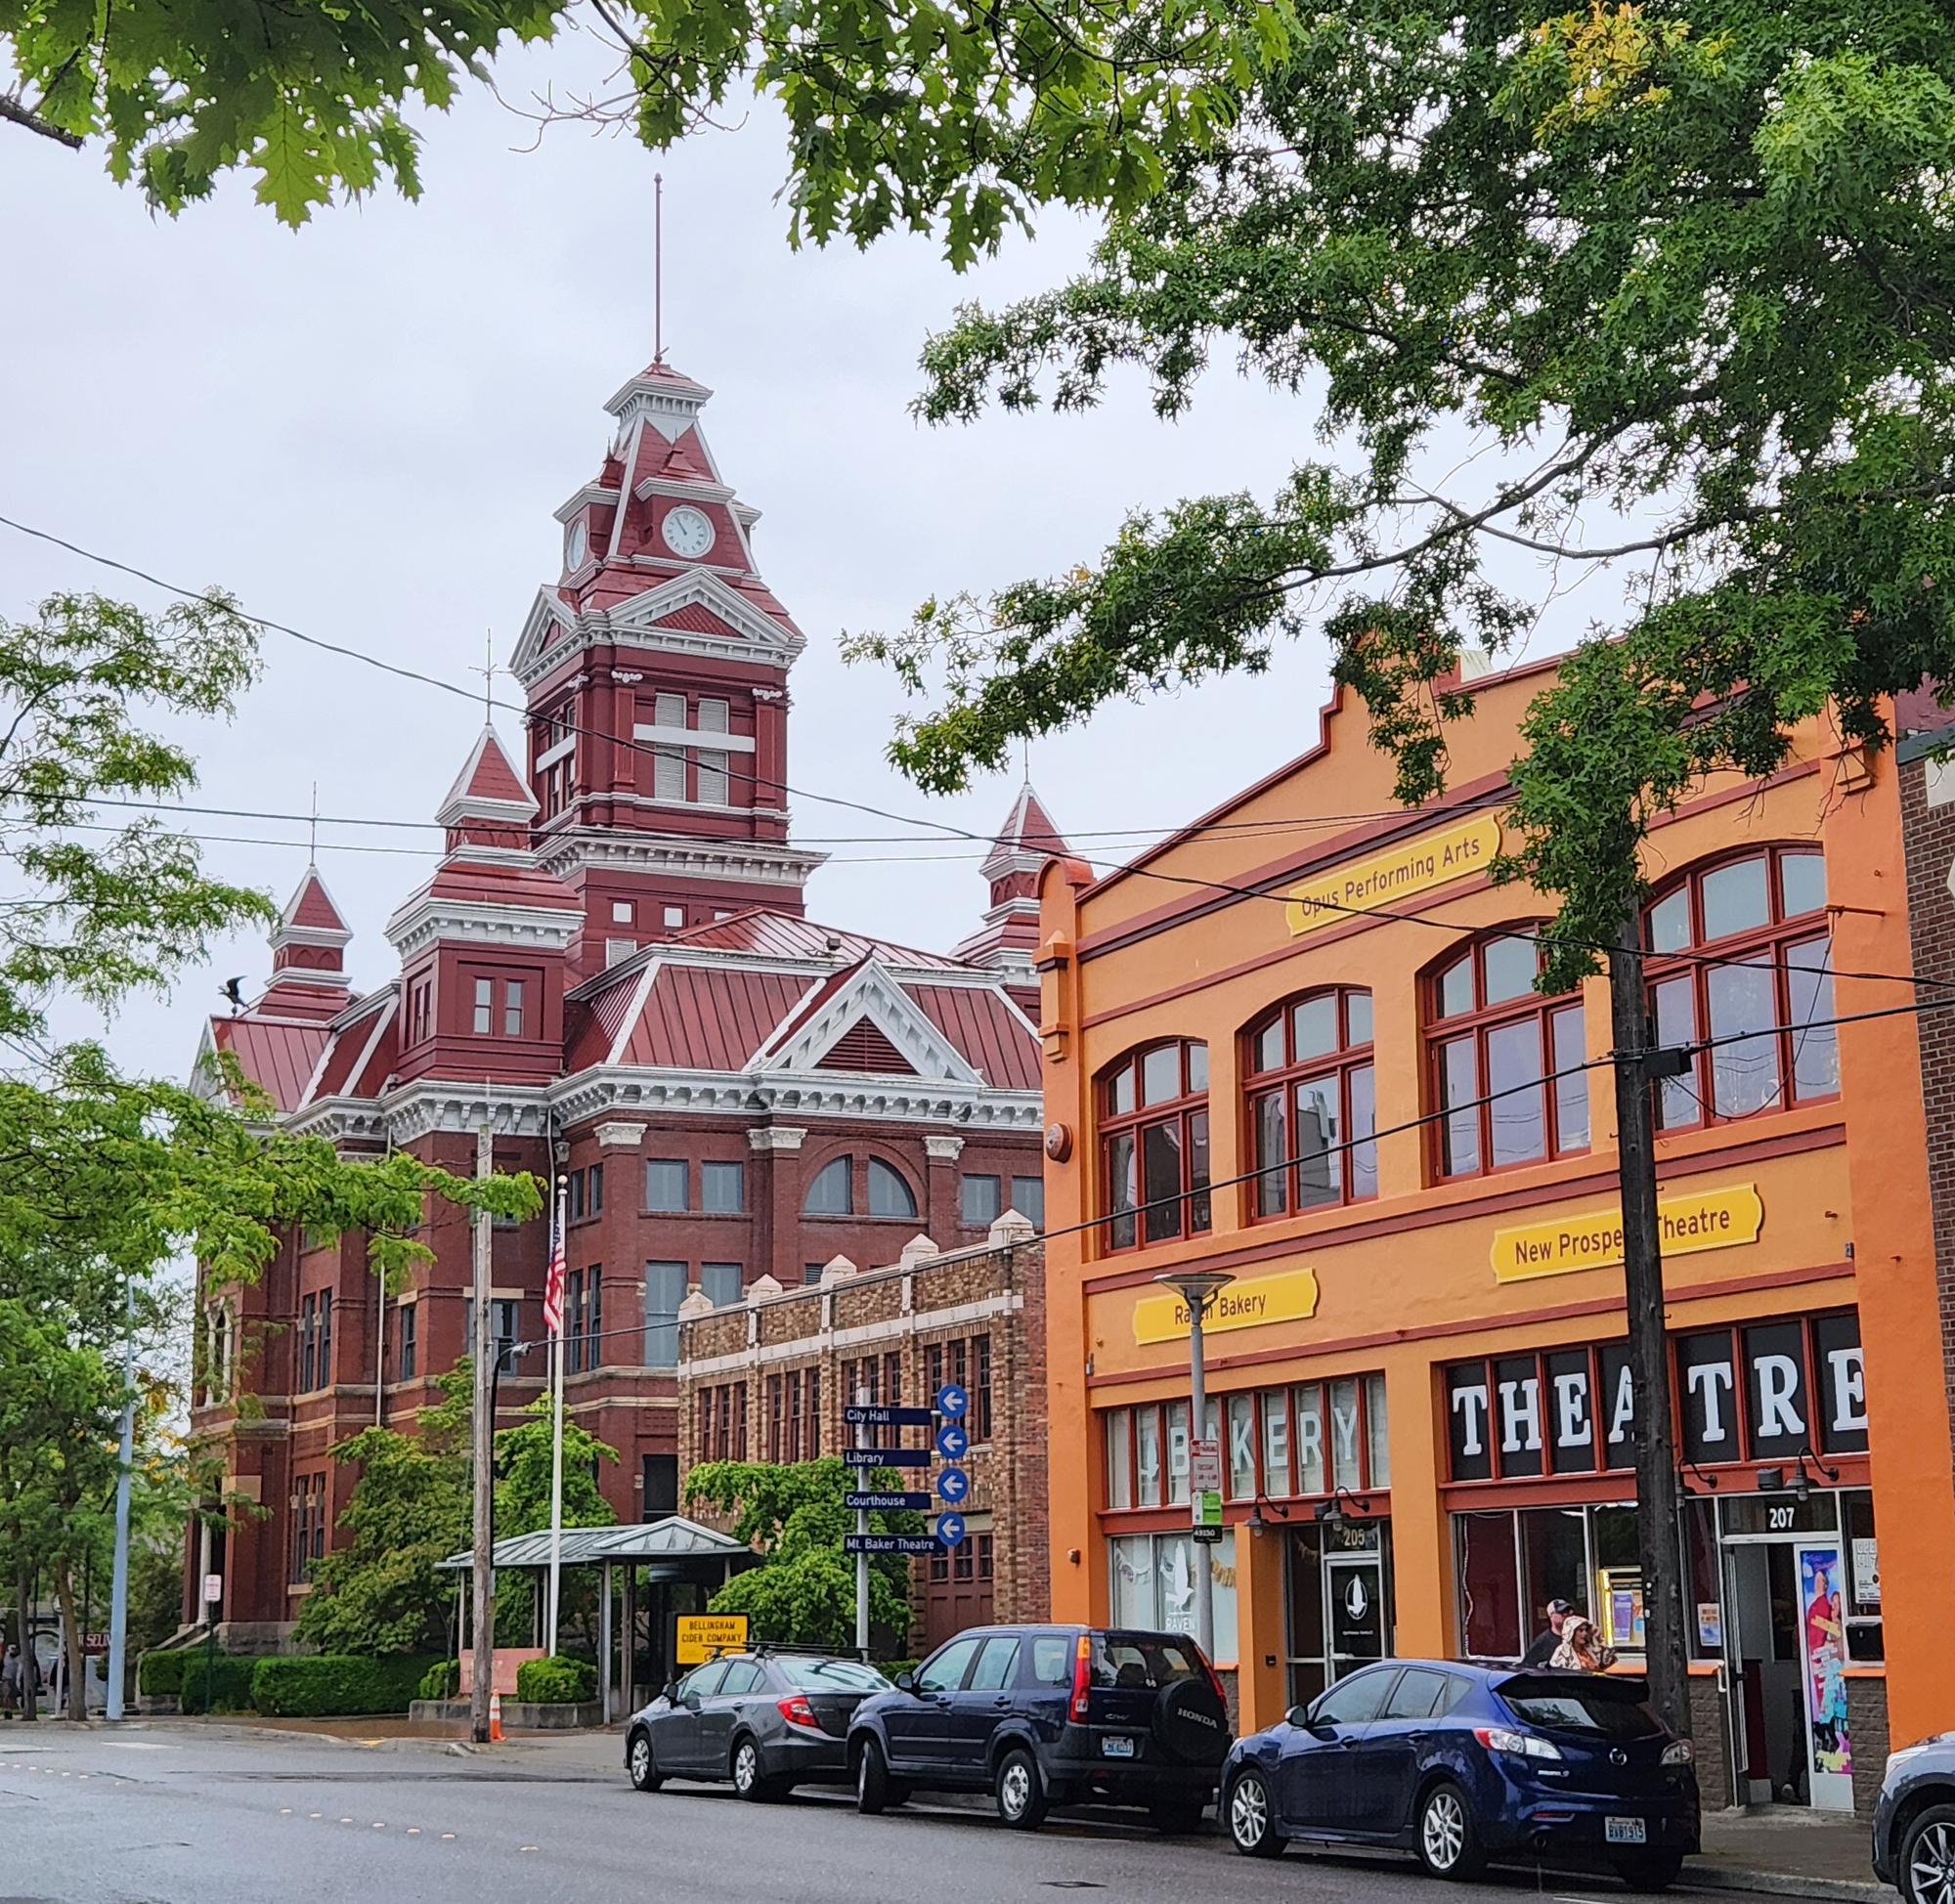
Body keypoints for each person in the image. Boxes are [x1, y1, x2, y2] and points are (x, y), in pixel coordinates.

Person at [1549, 1616, 1619, 1672]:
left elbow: (1610, 1661)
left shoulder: (1590, 1648)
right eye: (1581, 1630)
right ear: (1571, 1632)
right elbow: (1557, 1674)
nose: (1585, 1633)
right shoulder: (1562, 1651)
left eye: (1586, 1630)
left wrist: (1597, 1639)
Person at [1520, 1598, 1576, 1667]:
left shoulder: (1577, 1637)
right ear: (1551, 1616)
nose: (1566, 1614)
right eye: (1561, 1612)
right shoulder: (1542, 1641)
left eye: (1568, 1611)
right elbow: (1527, 1667)